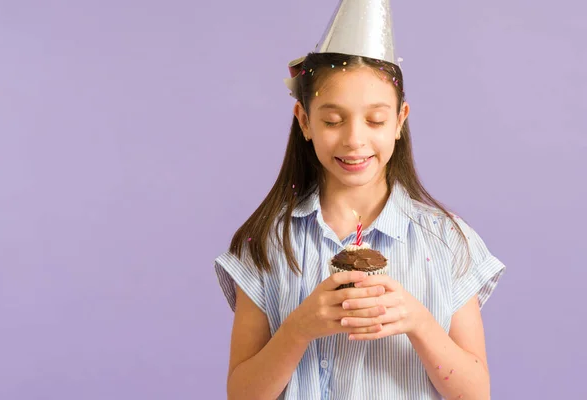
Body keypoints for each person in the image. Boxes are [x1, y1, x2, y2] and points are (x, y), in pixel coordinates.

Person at [214, 1, 506, 399]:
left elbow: (476, 394)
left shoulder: (447, 241)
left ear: (400, 120)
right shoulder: (267, 244)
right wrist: (299, 328)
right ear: (304, 121)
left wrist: (418, 321)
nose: (354, 139)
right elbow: (241, 394)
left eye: (375, 120)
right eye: (333, 121)